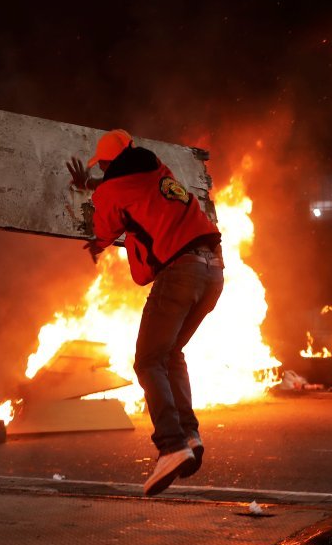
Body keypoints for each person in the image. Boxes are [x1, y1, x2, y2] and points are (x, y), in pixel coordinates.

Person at [67, 129, 224, 497]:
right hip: (213, 270)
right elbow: (135, 193)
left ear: (107, 163)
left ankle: (171, 446)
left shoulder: (111, 189)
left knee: (147, 361)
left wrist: (98, 233)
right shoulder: (161, 170)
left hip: (180, 272)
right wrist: (93, 184)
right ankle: (189, 435)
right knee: (171, 355)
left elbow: (106, 226)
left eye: (102, 165)